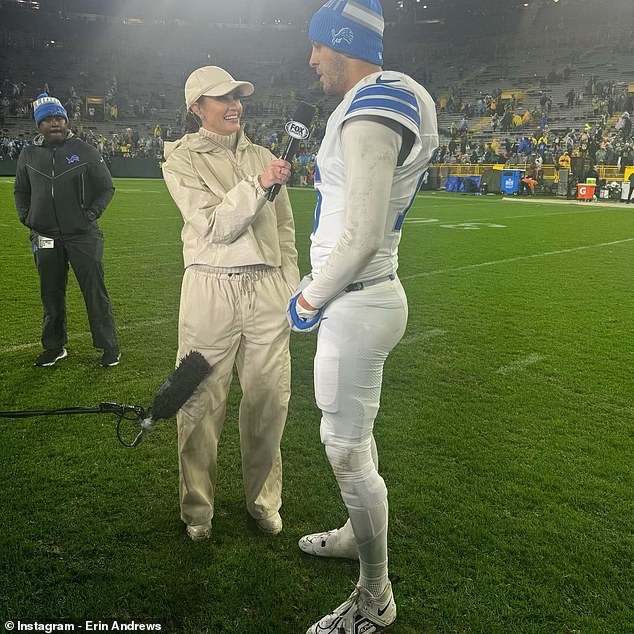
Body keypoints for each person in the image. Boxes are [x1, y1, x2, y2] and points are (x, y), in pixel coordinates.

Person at [286, 2, 438, 632]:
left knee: (344, 448)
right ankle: (358, 532)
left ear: (342, 44)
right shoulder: (390, 95)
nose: (312, 58)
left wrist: (309, 296)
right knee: (354, 440)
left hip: (358, 298)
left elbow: (364, 233)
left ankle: (375, 596)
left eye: (319, 46)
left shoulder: (376, 98)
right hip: (364, 296)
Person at [161, 66, 299, 541]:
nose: (234, 103)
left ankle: (264, 501)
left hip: (267, 289)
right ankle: (197, 511)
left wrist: (290, 284)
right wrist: (259, 185)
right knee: (200, 401)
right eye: (221, 97)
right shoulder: (179, 159)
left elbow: (284, 229)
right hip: (210, 289)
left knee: (268, 399)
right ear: (196, 107)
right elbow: (216, 226)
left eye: (238, 95)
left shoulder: (263, 154)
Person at [14, 93, 120, 367]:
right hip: (45, 236)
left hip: (83, 235)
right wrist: (28, 217)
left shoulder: (84, 150)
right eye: (48, 119)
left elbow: (106, 187)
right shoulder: (28, 154)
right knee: (51, 293)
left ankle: (109, 347)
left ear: (66, 120)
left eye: (59, 118)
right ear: (39, 125)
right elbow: (21, 190)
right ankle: (54, 347)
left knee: (94, 292)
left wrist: (91, 214)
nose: (55, 124)